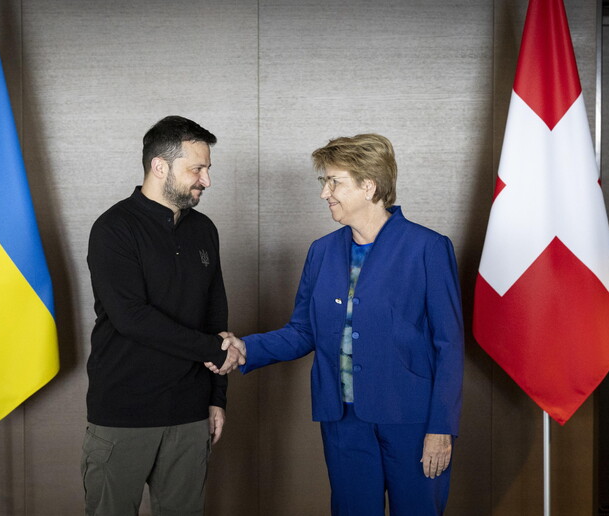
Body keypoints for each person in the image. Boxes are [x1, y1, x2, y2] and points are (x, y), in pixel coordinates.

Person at [208, 133, 464, 515]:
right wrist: (248, 348)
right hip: (342, 420)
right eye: (323, 182)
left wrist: (441, 428)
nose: (325, 192)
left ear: (369, 186)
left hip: (412, 422)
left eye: (334, 182)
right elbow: (303, 331)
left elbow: (449, 344)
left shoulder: (428, 248)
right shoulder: (322, 251)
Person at [82, 115, 244, 516]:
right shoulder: (113, 229)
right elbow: (132, 317)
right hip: (123, 415)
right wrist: (214, 349)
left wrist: (216, 398)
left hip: (190, 416)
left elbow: (215, 315)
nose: (205, 180)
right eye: (197, 169)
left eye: (206, 169)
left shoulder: (204, 229)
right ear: (159, 166)